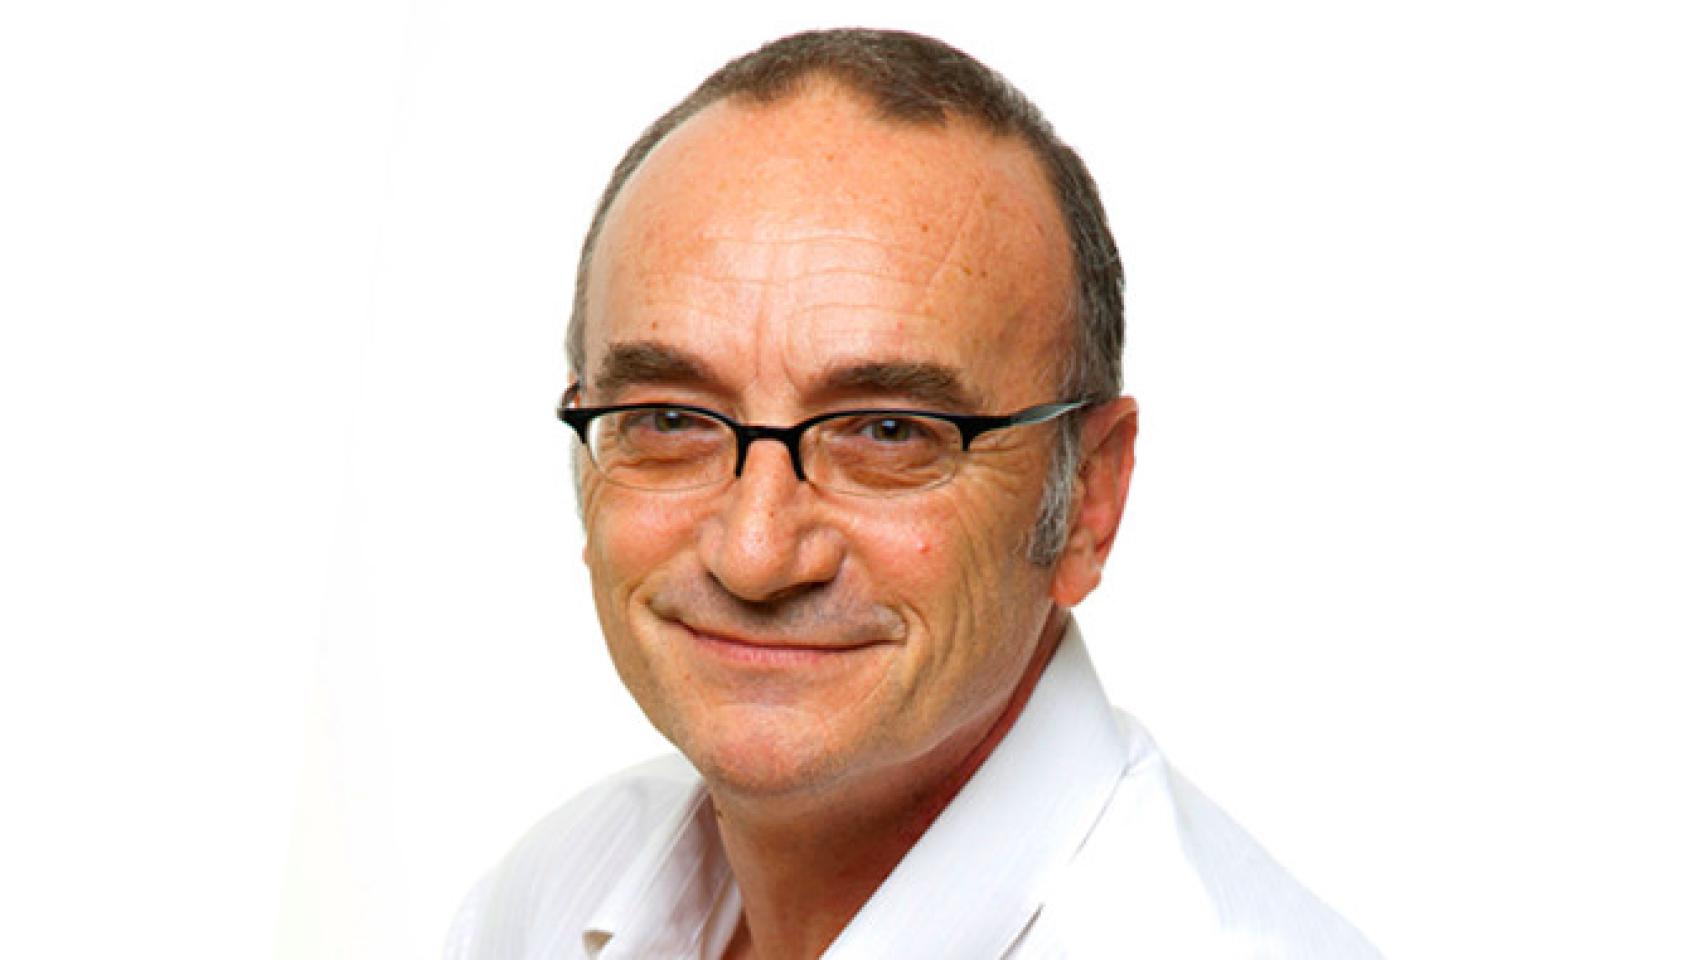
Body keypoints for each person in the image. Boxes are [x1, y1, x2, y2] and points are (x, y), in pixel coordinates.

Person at [448, 28, 1378, 959]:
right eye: (670, 420)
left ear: (1086, 502)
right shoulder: (540, 905)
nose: (755, 554)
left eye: (888, 432)